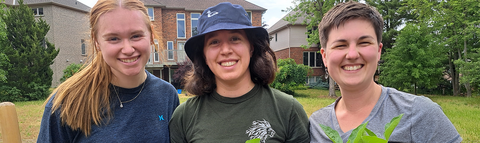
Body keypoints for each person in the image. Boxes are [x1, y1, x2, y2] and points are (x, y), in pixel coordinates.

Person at [309, 1, 461, 143]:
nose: (353, 54)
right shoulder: (316, 125)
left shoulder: (420, 113)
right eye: (341, 45)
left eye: (364, 43)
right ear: (324, 56)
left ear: (378, 51)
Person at [37, 0, 179, 142]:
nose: (128, 49)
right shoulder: (68, 103)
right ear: (97, 42)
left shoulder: (167, 95)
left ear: (151, 35)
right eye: (113, 38)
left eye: (136, 36)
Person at [169, 2, 310, 143]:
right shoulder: (184, 116)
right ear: (204, 55)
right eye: (214, 42)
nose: (225, 50)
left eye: (235, 38)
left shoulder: (288, 110)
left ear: (251, 48)